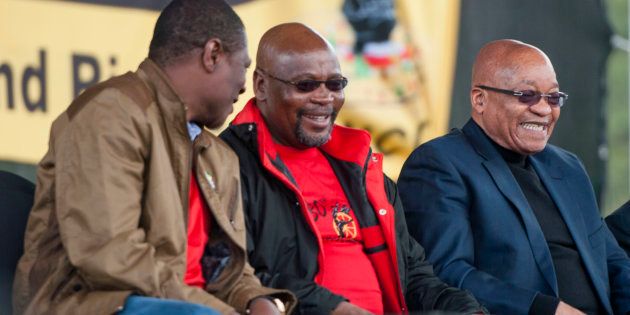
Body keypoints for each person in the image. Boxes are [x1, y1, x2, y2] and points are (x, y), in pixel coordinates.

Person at [12, 1, 294, 314]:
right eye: (242, 67)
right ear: (213, 54)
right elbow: (109, 254)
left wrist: (256, 301)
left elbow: (227, 275)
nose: (244, 86)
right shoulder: (110, 114)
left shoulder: (220, 158)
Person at [220, 22, 486, 315]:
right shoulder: (226, 163)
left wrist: (466, 309)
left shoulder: (360, 167)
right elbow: (234, 276)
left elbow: (414, 276)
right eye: (305, 85)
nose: (324, 98)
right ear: (261, 86)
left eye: (335, 84)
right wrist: (336, 308)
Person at [398, 39, 630, 315]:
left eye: (553, 97)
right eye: (527, 95)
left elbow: (612, 261)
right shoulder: (439, 163)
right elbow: (445, 274)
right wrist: (544, 309)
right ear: (480, 99)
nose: (544, 109)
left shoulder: (567, 167)